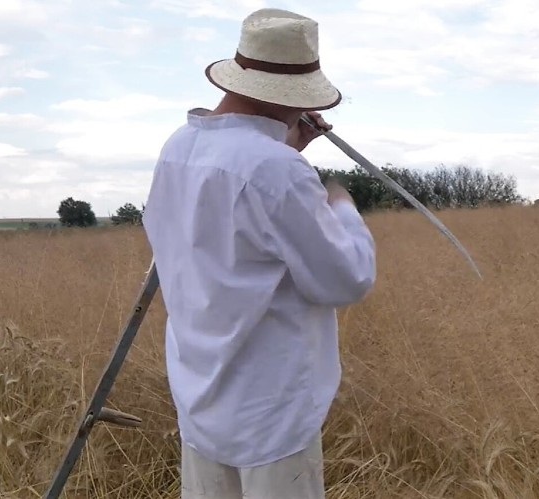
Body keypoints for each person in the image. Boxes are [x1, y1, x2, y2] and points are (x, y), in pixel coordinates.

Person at [142, 8, 377, 498]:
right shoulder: (277, 171)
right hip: (269, 409)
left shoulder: (177, 148)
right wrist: (343, 208)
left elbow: (234, 222)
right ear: (290, 95)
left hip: (200, 397)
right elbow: (344, 278)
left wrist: (287, 149)